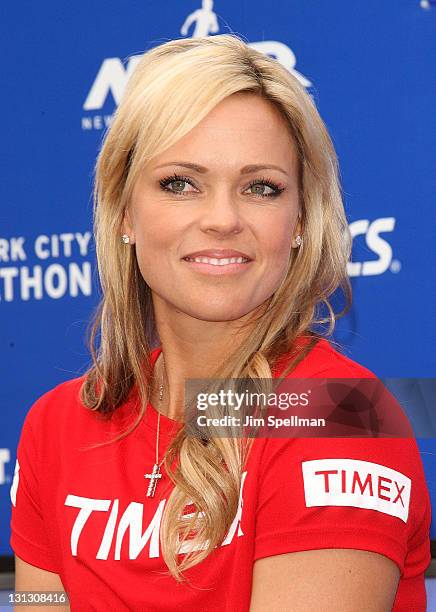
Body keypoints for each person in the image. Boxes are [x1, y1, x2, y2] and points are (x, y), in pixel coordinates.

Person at [10, 33, 430, 611]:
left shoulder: (342, 414)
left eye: (261, 188)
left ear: (301, 218)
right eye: (180, 183)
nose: (222, 219)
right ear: (125, 212)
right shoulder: (59, 426)